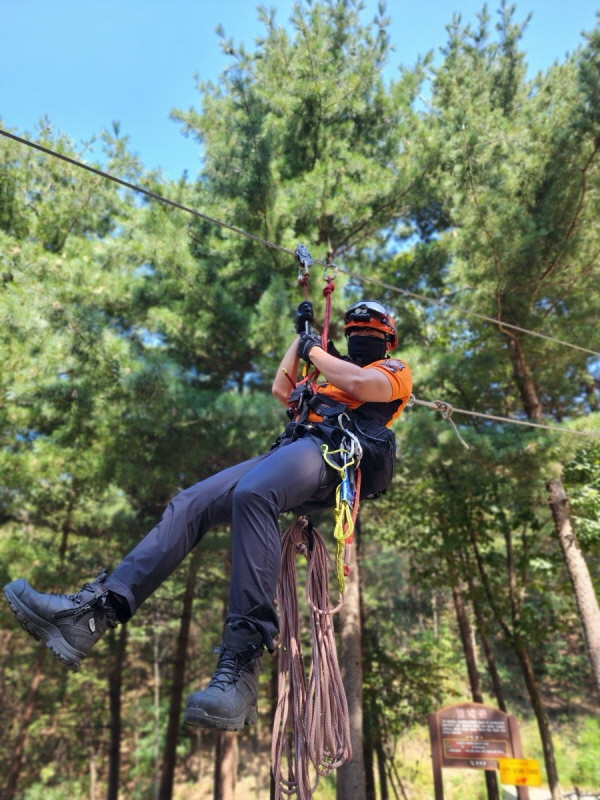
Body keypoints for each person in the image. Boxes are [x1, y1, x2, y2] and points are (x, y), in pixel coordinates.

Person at [3, 299, 412, 732]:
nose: (363, 338)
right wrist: (300, 339)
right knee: (192, 503)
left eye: (373, 333)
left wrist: (313, 349)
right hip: (294, 450)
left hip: (335, 456)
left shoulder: (393, 371)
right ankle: (92, 614)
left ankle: (242, 662)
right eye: (356, 332)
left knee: (255, 493)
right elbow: (281, 389)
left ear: (389, 341)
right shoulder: (326, 370)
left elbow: (362, 385)